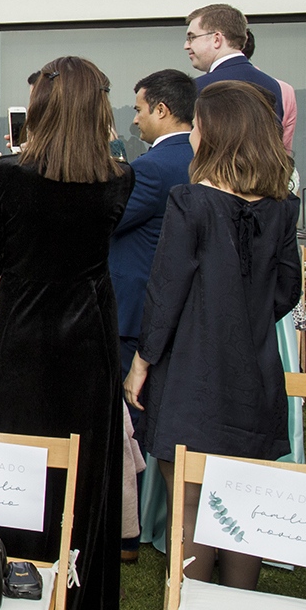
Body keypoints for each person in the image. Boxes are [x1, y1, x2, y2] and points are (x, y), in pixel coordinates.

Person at [0, 56, 134, 610]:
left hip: (23, 337)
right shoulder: (121, 179)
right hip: (88, 340)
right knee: (84, 474)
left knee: (19, 469)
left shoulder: (9, 176)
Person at [127, 82, 302, 594]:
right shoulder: (282, 206)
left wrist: (142, 361)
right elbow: (287, 290)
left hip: (192, 370)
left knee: (189, 500)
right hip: (256, 369)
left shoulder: (191, 201)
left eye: (199, 124)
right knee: (241, 497)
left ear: (217, 133)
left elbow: (166, 291)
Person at [108, 69, 195, 561]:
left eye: (139, 108)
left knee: (131, 417)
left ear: (162, 110)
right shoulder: (203, 157)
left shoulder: (154, 167)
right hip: (179, 307)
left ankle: (130, 529)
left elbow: (111, 222)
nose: (135, 118)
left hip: (137, 305)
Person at [184, 4, 282, 117]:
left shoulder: (201, 88)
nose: (186, 45)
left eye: (192, 37)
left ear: (216, 39)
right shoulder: (272, 85)